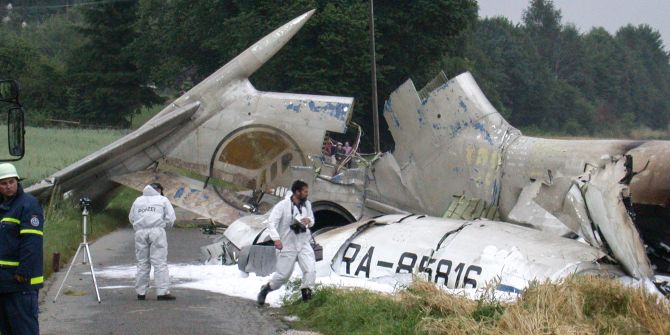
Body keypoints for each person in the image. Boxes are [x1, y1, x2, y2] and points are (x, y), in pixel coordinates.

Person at [0, 163, 43, 335]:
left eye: (11, 182)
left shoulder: (28, 205)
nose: (8, 186)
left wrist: (23, 272)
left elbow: (31, 243)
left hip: (21, 283)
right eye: (3, 183)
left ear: (17, 181)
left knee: (25, 330)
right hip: (4, 284)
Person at [257, 180, 315, 305]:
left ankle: (307, 299)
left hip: (303, 242)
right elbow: (271, 223)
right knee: (283, 276)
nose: (307, 194)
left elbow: (312, 220)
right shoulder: (282, 205)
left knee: (310, 270)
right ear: (297, 192)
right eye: (305, 191)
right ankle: (266, 289)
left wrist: (308, 221)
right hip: (287, 244)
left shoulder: (307, 205)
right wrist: (276, 239)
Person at [129, 183, 177, 300]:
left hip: (140, 232)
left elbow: (131, 217)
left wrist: (139, 226)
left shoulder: (138, 200)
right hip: (157, 231)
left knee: (142, 262)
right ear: (159, 190)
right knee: (159, 262)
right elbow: (171, 218)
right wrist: (164, 225)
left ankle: (141, 292)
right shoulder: (163, 200)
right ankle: (162, 292)